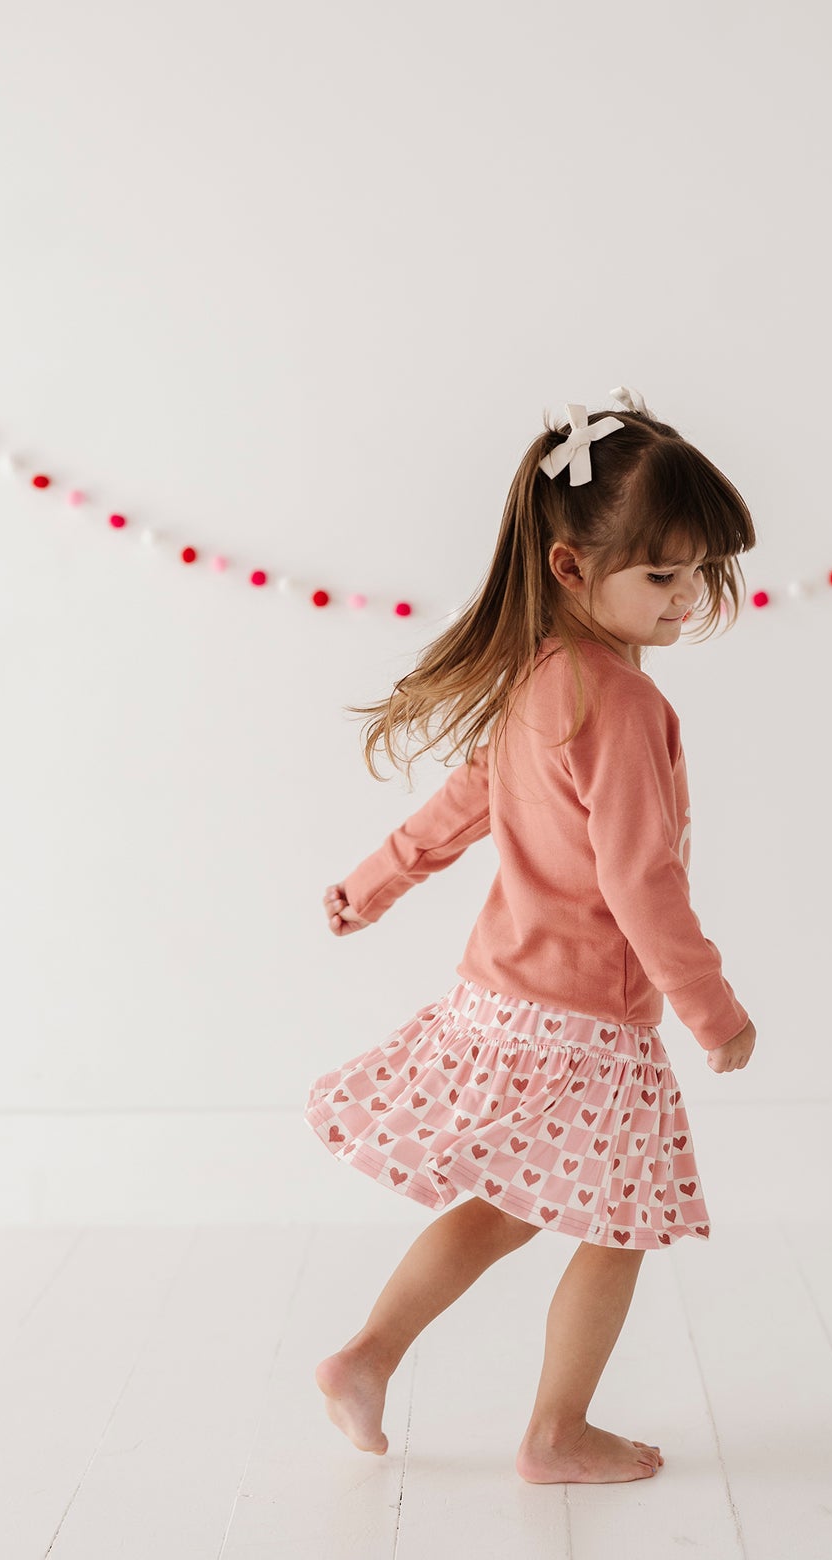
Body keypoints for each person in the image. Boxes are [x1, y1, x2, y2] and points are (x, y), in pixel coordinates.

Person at [307, 385, 758, 1485]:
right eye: (663, 575)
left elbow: (464, 801)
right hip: (587, 1024)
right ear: (570, 566)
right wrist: (712, 1009)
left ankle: (365, 1356)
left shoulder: (539, 679)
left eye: (698, 572)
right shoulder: (621, 703)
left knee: (508, 1206)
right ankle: (557, 1432)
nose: (688, 597)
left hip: (500, 998)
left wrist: (371, 883)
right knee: (622, 1224)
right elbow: (640, 879)